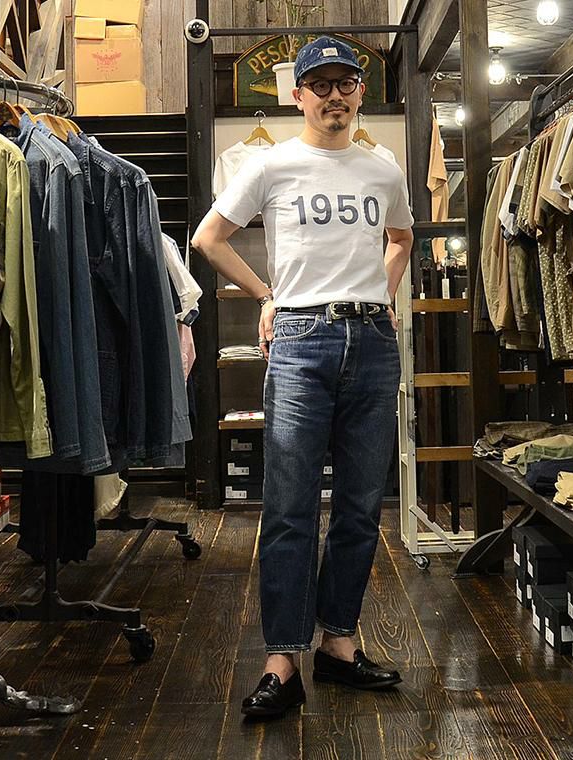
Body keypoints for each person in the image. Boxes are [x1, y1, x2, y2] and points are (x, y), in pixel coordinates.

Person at [191, 36, 415, 718]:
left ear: (360, 92)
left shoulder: (383, 169)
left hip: (372, 341)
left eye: (346, 83)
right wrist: (266, 296)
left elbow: (402, 238)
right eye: (321, 85)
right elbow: (208, 238)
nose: (334, 95)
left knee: (360, 505)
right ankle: (282, 660)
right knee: (289, 507)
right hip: (300, 339)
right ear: (298, 96)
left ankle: (339, 644)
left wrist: (382, 292)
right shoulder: (272, 164)